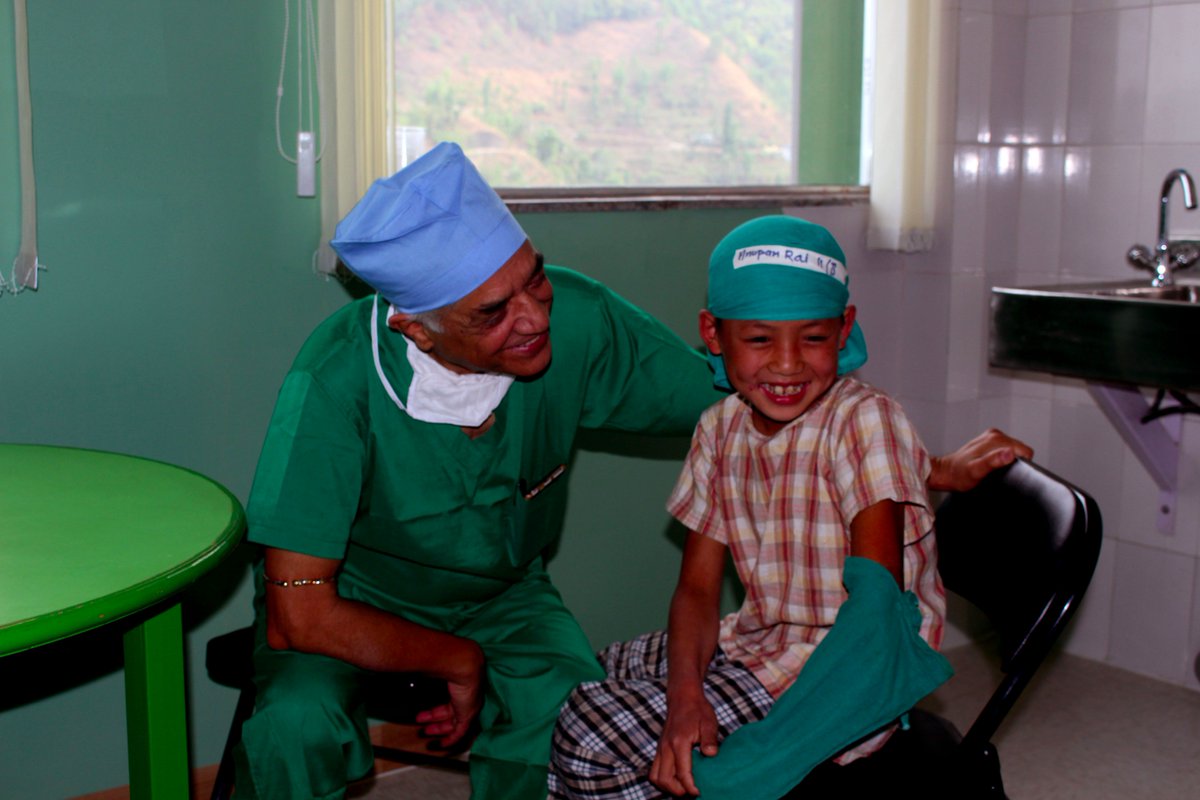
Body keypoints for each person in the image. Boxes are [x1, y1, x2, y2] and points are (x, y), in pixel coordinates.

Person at [236, 143, 1030, 800]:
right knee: (291, 727)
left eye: (534, 279)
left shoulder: (574, 321)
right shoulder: (333, 384)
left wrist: (922, 464)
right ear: (417, 326)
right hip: (352, 608)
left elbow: (757, 392)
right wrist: (455, 659)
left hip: (508, 598)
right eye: (493, 312)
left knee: (573, 717)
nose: (537, 316)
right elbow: (299, 614)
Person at [548, 216, 966, 799]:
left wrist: (770, 752)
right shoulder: (720, 427)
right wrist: (684, 697)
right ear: (713, 335)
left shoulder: (864, 420)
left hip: (841, 665)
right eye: (760, 338)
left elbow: (876, 615)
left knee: (589, 733)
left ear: (844, 328)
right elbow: (697, 589)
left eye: (813, 337)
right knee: (577, 677)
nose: (789, 364)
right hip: (760, 638)